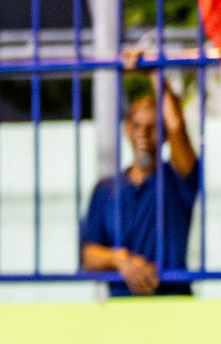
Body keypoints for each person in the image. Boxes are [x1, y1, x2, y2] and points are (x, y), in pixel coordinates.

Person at [80, 53, 199, 296]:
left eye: (153, 127)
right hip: (123, 312)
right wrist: (119, 260)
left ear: (163, 133)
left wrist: (154, 71)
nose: (143, 133)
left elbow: (177, 128)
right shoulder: (106, 189)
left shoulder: (177, 180)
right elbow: (87, 256)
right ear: (127, 131)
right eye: (137, 125)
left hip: (173, 304)